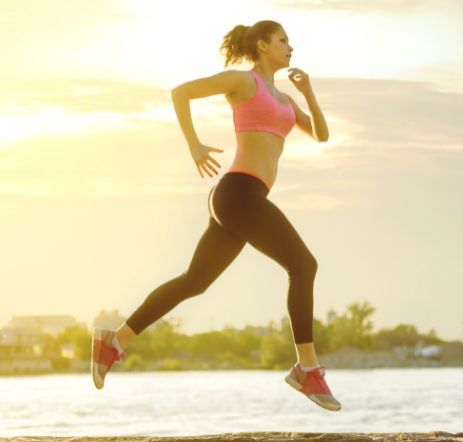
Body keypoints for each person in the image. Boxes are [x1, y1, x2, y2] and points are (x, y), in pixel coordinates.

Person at [91, 20, 341, 411]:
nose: (290, 47)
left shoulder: (286, 100)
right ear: (262, 45)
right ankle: (306, 368)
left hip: (242, 197)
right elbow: (181, 93)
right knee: (303, 265)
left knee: (195, 282)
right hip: (238, 192)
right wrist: (194, 146)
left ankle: (114, 343)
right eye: (282, 41)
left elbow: (321, 135)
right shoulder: (243, 83)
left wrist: (309, 94)